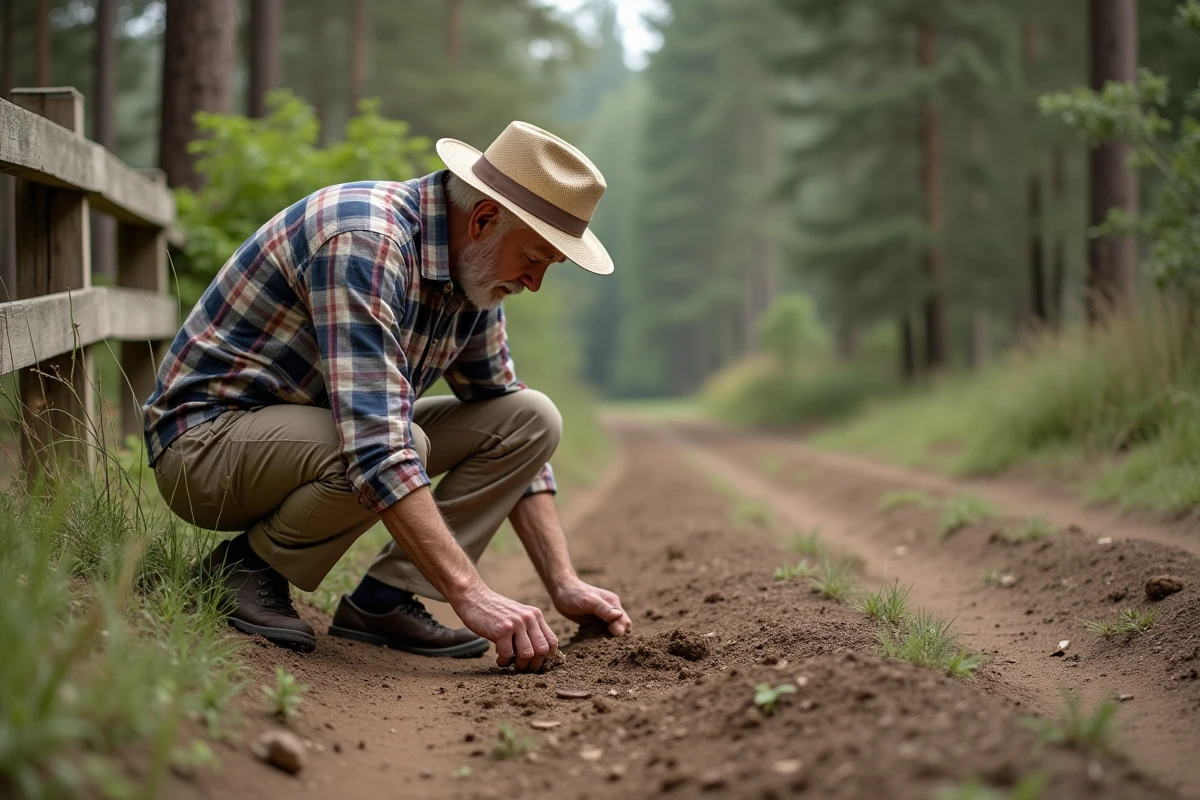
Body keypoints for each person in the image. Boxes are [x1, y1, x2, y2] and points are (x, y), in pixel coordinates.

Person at [144, 121, 631, 673]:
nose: (535, 281)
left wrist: (561, 581)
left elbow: (506, 414)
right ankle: (244, 571)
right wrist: (472, 593)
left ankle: (383, 602)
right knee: (404, 442)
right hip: (205, 448)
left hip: (310, 435)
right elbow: (377, 443)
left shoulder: (474, 274)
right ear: (485, 219)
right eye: (536, 257)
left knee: (531, 419)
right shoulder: (367, 241)